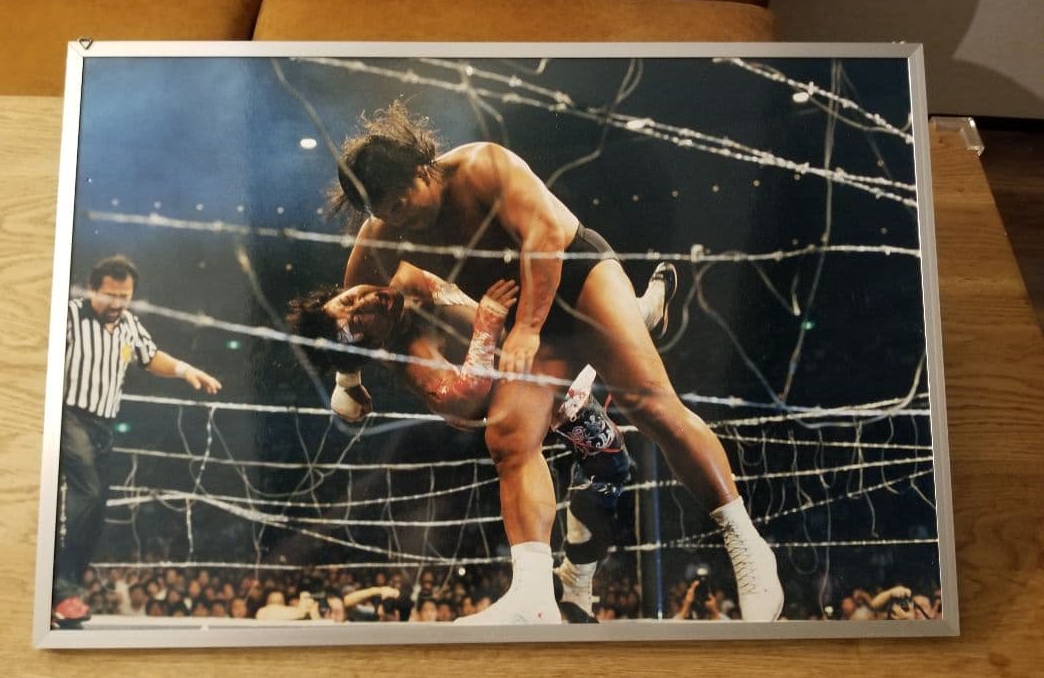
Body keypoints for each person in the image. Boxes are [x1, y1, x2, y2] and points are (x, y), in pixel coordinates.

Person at [325, 101, 782, 624]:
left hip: (578, 281)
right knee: (508, 437)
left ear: (422, 169)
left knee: (651, 407)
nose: (399, 219)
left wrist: (526, 328)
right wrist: (347, 377)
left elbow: (544, 237)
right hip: (531, 326)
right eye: (385, 213)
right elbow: (347, 305)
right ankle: (534, 595)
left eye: (402, 203)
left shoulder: (484, 166)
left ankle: (747, 545)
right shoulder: (382, 234)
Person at [288, 259, 675, 620]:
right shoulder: (409, 354)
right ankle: (571, 585)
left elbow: (366, 244)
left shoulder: (398, 275)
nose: (368, 302)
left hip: (535, 347)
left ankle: (575, 581)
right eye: (360, 321)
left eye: (350, 299)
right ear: (370, 345)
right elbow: (462, 401)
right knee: (608, 460)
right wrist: (486, 325)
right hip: (519, 394)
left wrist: (347, 379)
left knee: (610, 456)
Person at [53, 255, 222, 628]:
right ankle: (61, 592)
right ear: (92, 289)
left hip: (103, 424)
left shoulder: (129, 324)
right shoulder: (69, 315)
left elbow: (150, 356)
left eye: (124, 296)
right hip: (68, 416)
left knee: (96, 509)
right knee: (88, 494)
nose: (117, 303)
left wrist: (185, 370)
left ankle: (65, 594)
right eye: (110, 295)